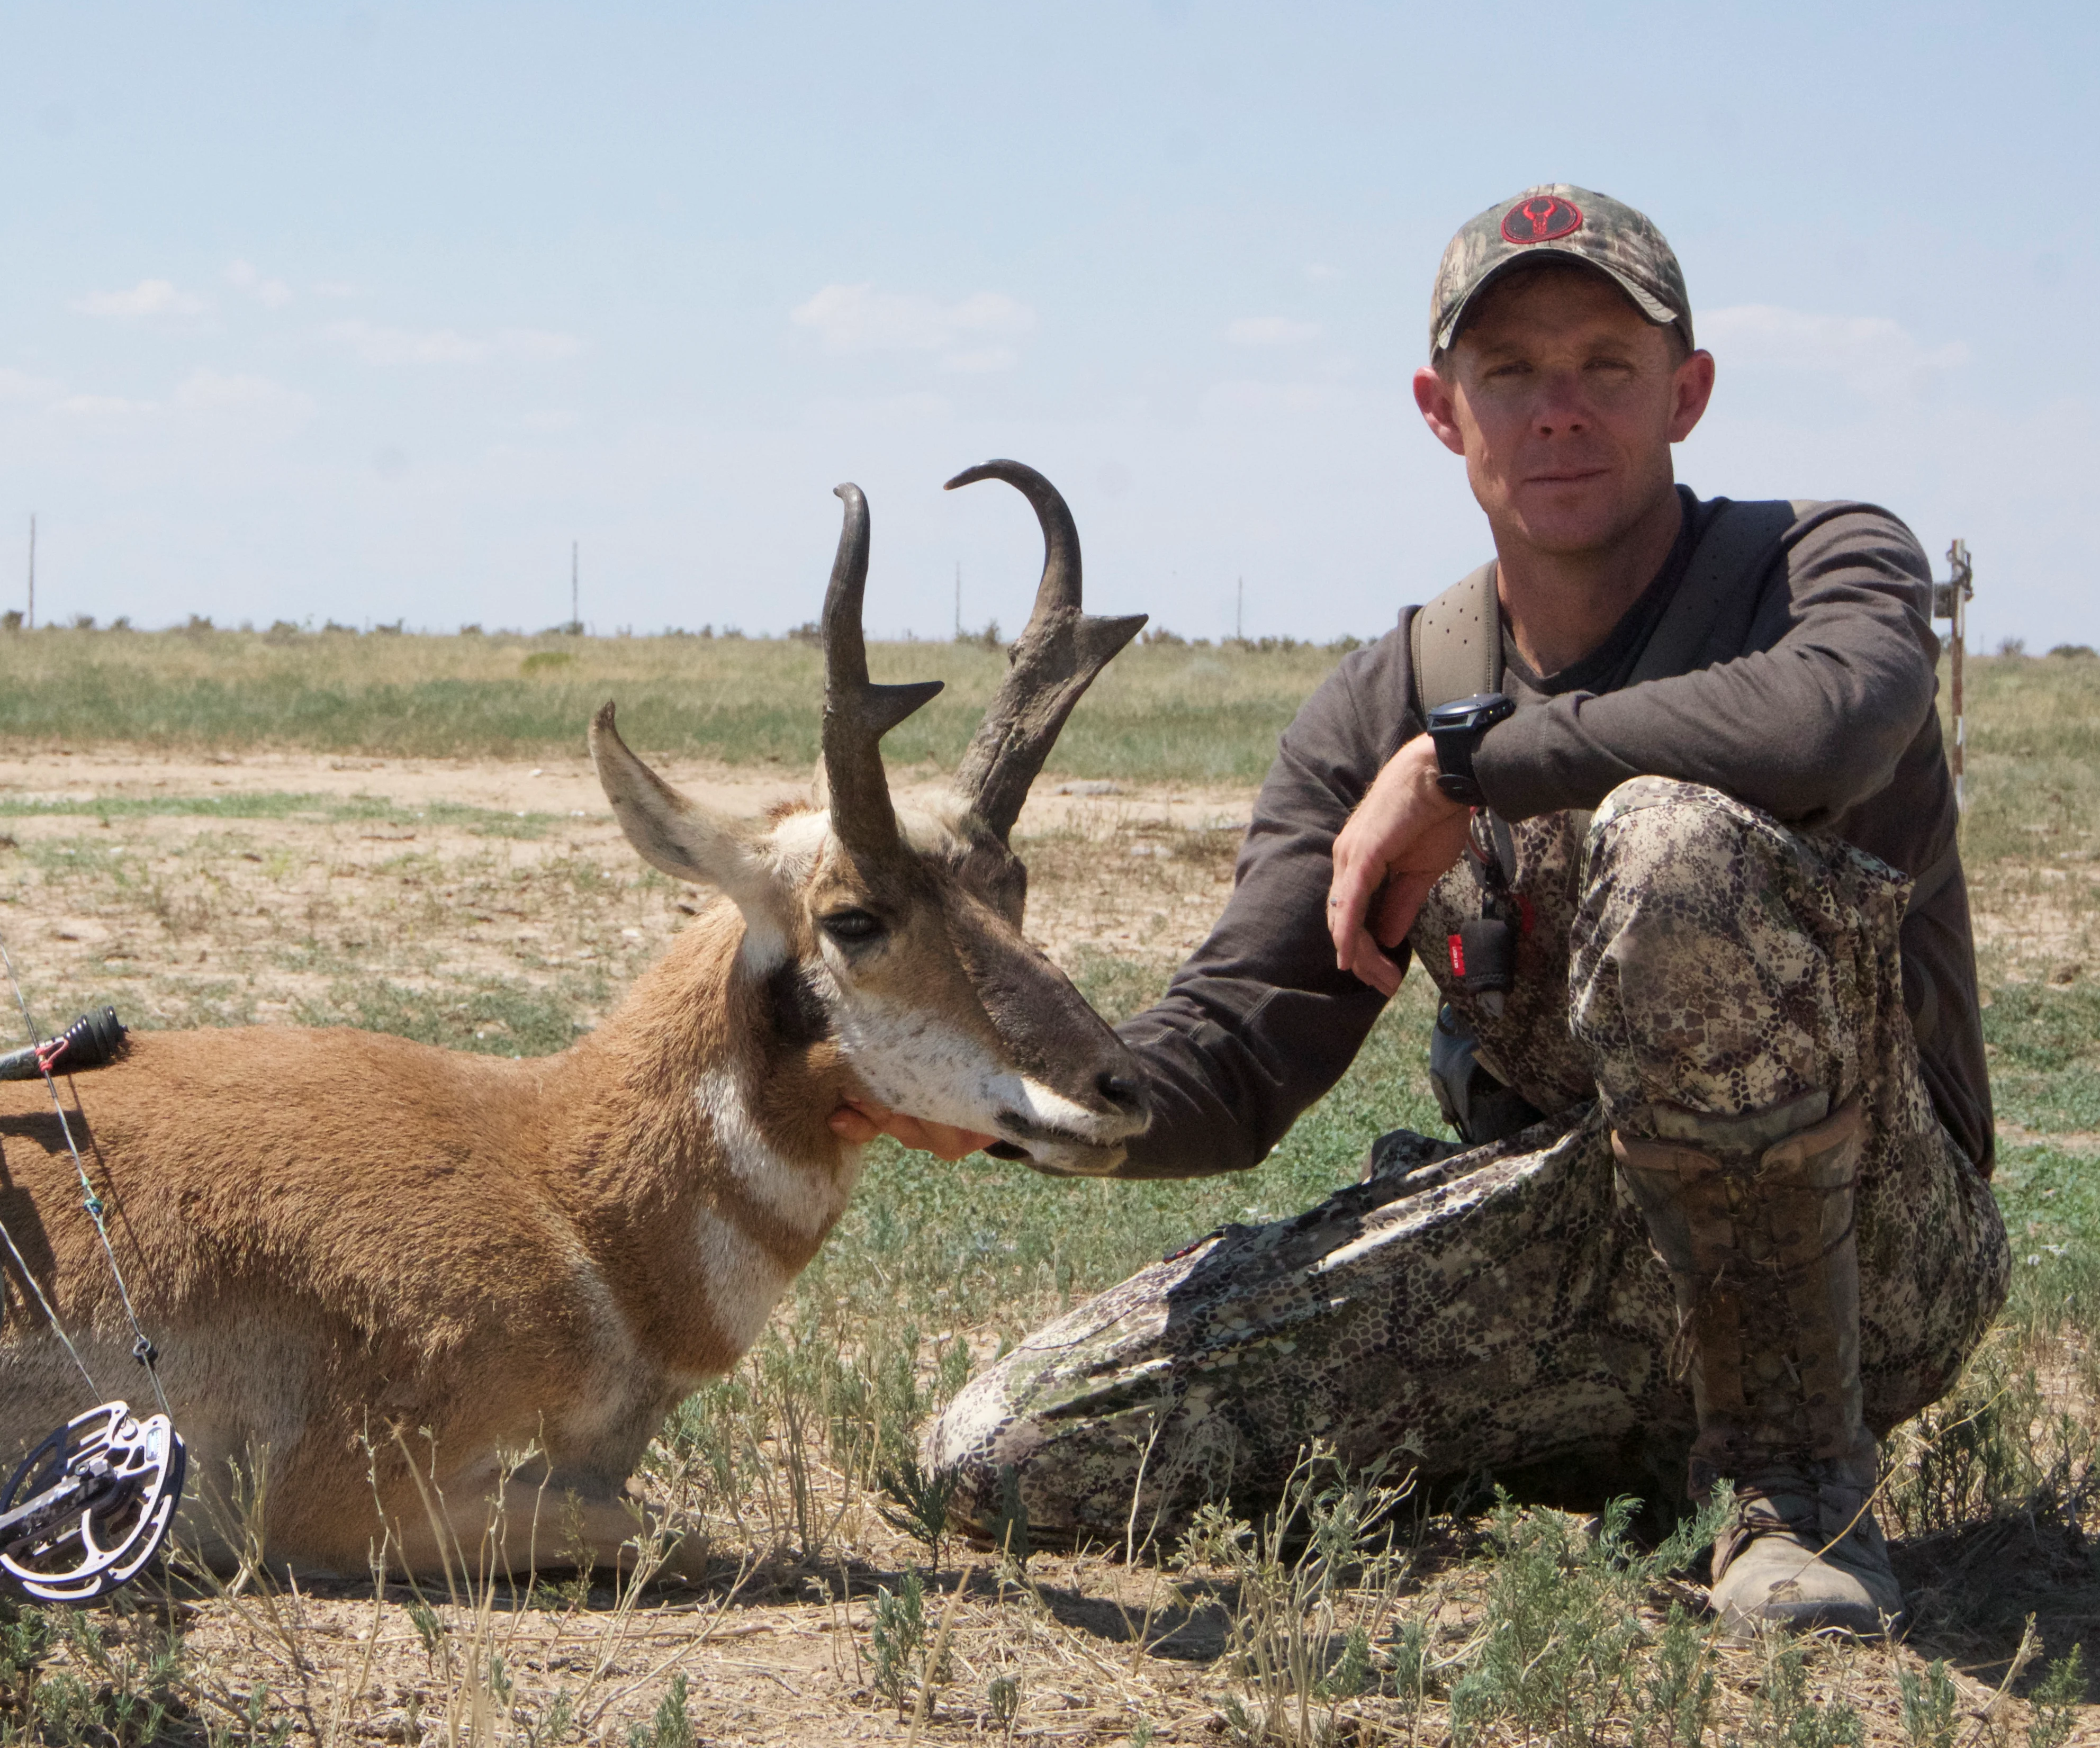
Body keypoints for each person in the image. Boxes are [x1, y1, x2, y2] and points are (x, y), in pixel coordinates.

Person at [847, 185, 2005, 1635]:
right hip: (1570, 1246)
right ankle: (1607, 1447)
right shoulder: (1380, 697)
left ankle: (1790, 1491)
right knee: (1006, 1454)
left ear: (1688, 394)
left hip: (1882, 1249)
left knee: (1671, 843)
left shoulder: (1824, 568)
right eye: (1508, 374)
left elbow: (1836, 725)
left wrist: (1477, 767)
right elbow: (1241, 1055)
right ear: (1440, 410)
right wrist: (1008, 1091)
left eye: (1606, 368)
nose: (1557, 412)